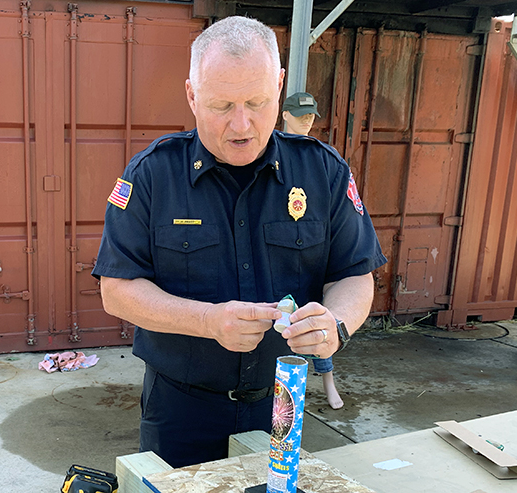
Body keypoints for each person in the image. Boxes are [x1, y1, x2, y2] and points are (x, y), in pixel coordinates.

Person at [92, 16, 386, 468]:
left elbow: (354, 273)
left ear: (280, 85)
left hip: (281, 406)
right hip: (180, 410)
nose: (241, 123)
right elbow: (117, 292)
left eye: (256, 101)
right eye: (221, 105)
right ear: (191, 95)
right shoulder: (152, 175)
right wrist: (208, 321)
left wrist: (338, 325)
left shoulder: (322, 172)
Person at [281, 91, 344, 410]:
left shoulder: (324, 160)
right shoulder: (269, 150)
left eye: (310, 115)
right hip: (281, 250)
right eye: (300, 114)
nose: (306, 120)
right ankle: (292, 391)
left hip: (310, 252)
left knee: (321, 328)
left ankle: (329, 383)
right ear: (285, 115)